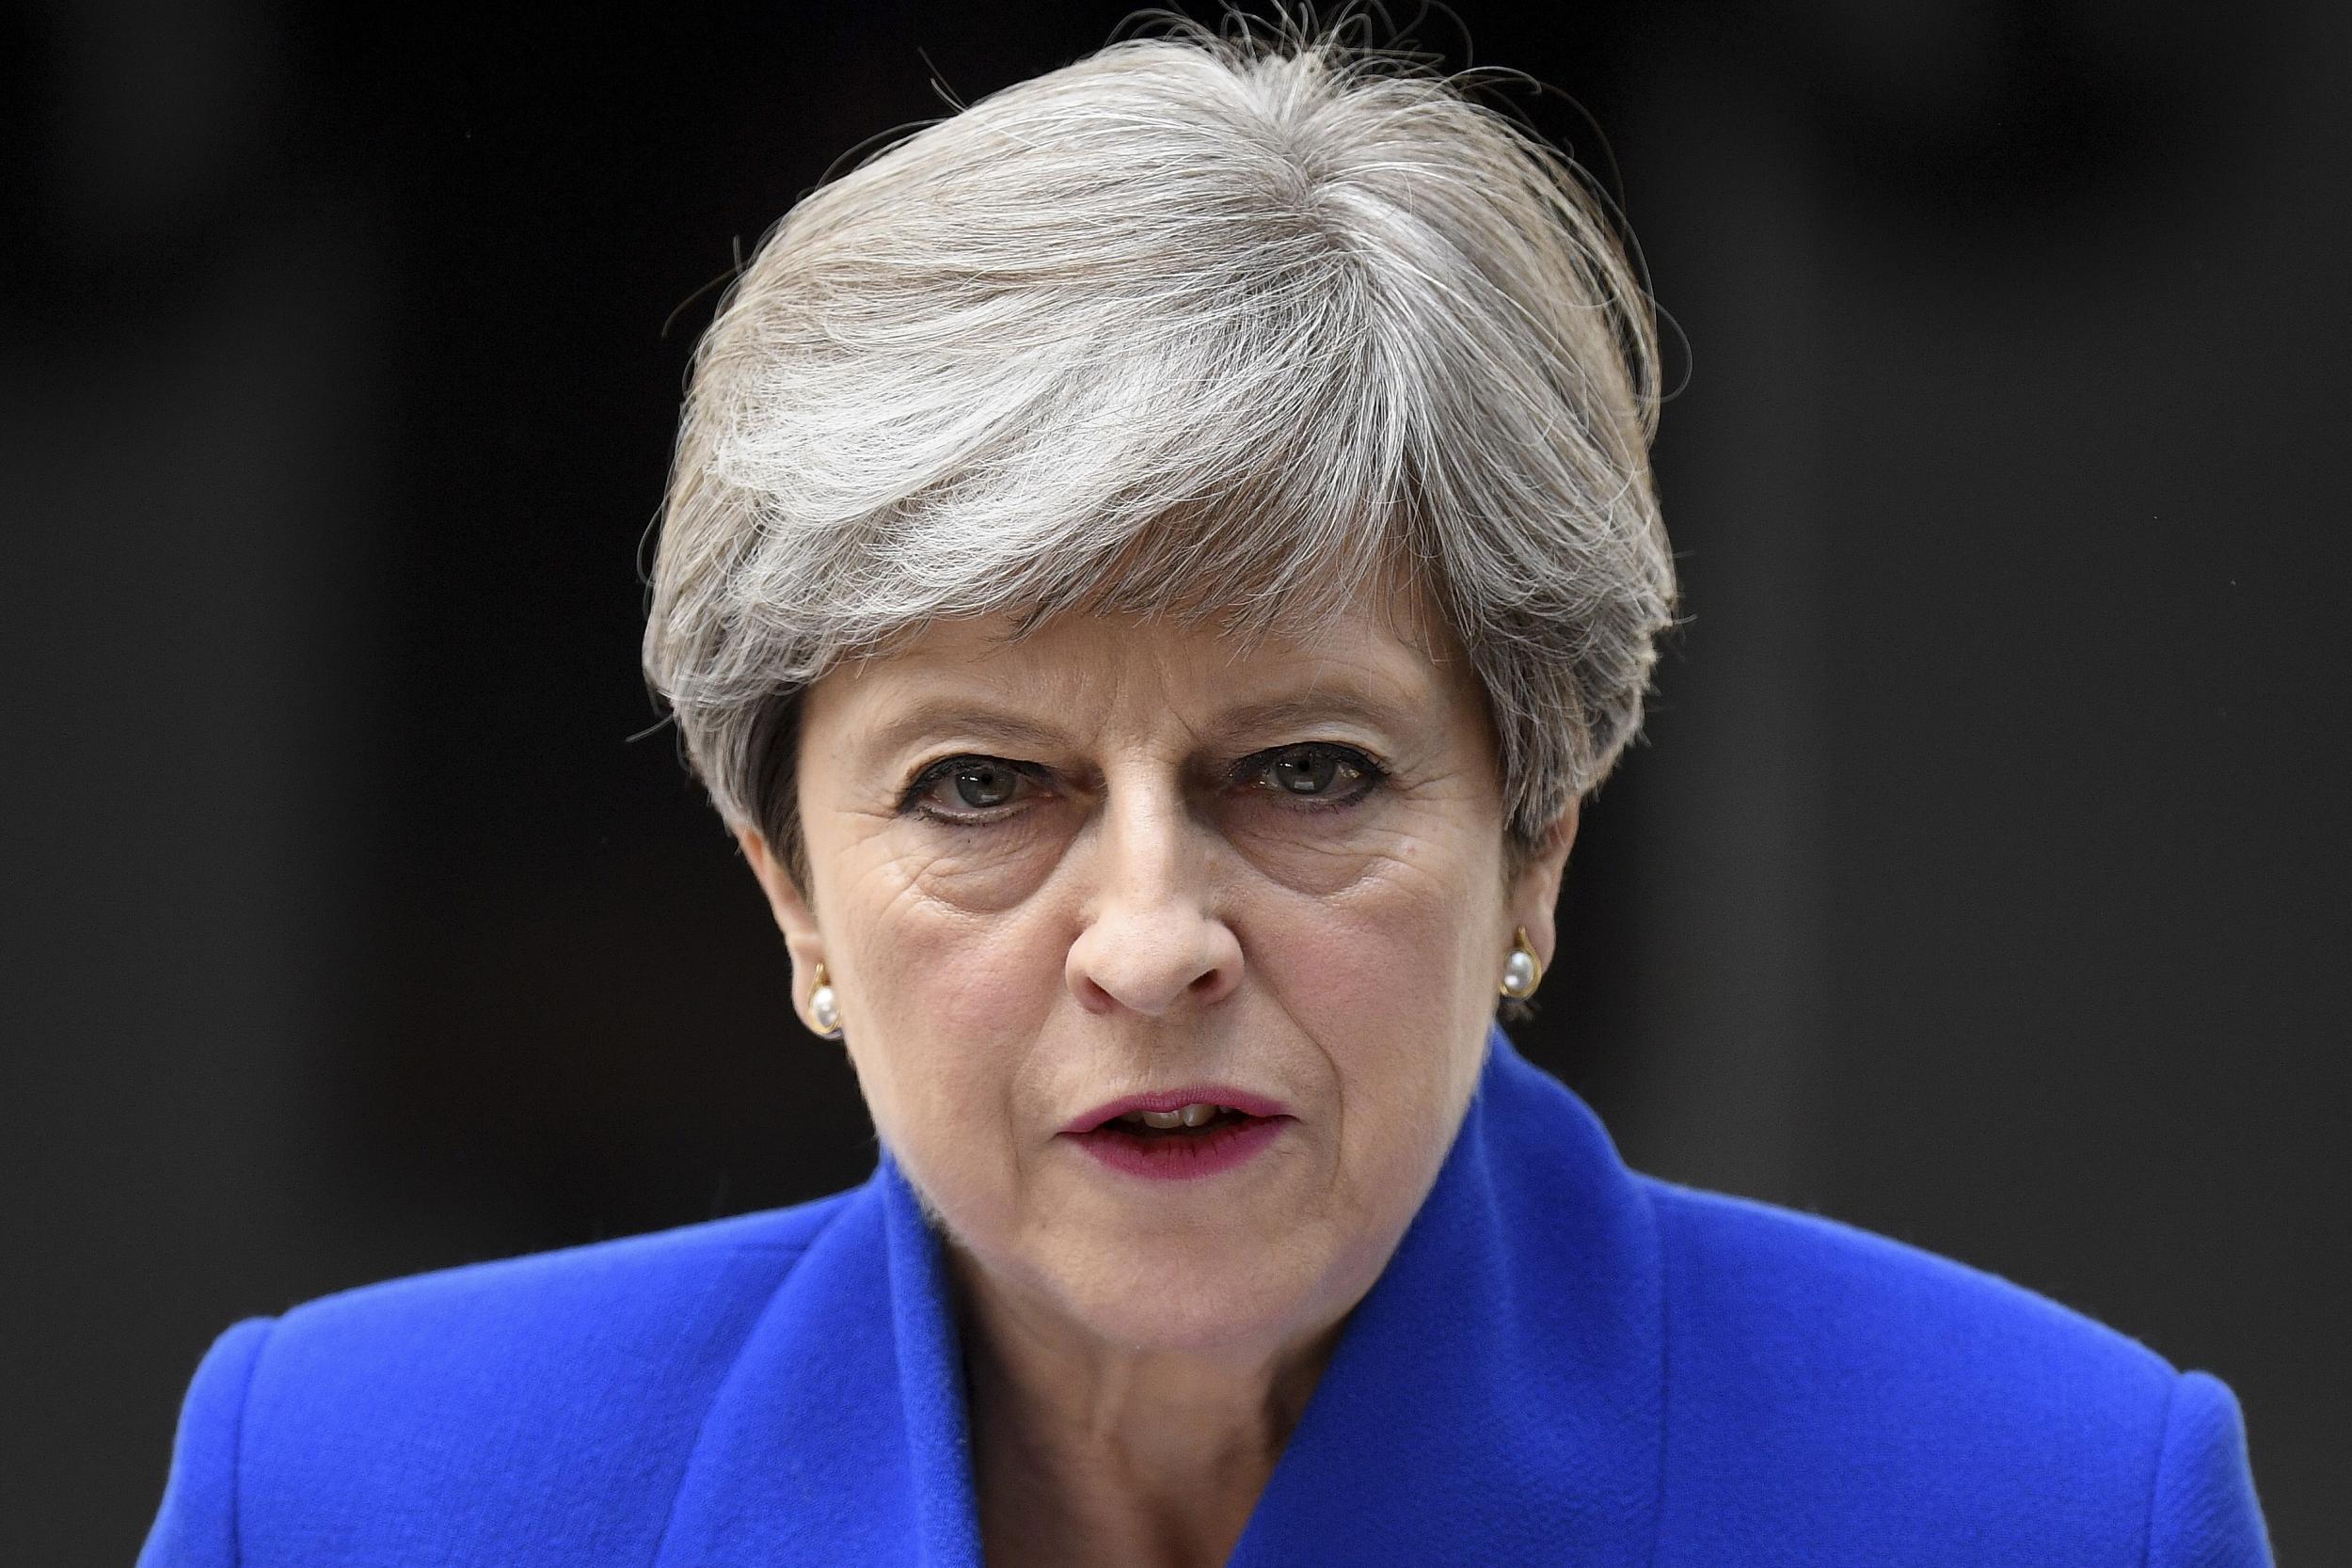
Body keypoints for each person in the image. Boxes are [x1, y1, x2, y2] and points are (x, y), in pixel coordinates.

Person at [137, 20, 2274, 1567]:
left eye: (1307, 772)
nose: (1153, 938)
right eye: (983, 788)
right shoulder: (341, 1493)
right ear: (787, 885)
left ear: (1536, 830)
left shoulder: (2050, 1501)